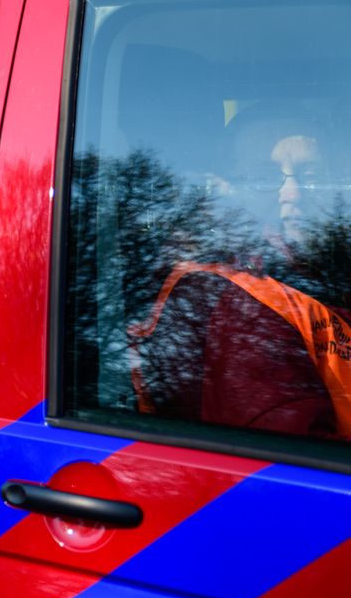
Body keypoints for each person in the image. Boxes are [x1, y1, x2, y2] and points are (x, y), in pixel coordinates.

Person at [130, 118, 351, 439]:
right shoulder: (238, 306)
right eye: (265, 177)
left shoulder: (321, 271)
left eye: (313, 176)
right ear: (232, 190)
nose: (293, 193)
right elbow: (292, 468)